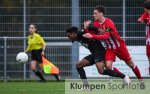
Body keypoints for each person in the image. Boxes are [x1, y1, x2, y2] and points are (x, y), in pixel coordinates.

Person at [82, 5, 144, 84]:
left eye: (95, 13)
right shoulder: (96, 24)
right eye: (93, 13)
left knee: (131, 64)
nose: (93, 15)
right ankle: (125, 77)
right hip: (109, 48)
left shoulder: (109, 22)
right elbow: (90, 37)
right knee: (108, 67)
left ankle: (141, 80)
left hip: (120, 47)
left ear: (101, 13)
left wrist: (92, 35)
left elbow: (106, 36)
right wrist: (86, 28)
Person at [66, 26, 131, 88]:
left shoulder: (81, 33)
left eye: (69, 36)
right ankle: (86, 86)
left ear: (73, 33)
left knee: (101, 71)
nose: (69, 38)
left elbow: (92, 29)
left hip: (99, 51)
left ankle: (124, 77)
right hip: (94, 53)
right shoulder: (76, 37)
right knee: (78, 66)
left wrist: (105, 30)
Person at [137, 0, 150, 75]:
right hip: (148, 41)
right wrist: (141, 20)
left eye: (144, 8)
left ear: (146, 8)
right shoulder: (146, 14)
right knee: (148, 55)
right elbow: (139, 20)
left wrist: (146, 21)